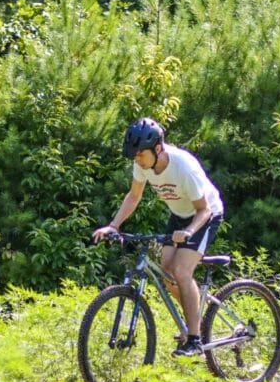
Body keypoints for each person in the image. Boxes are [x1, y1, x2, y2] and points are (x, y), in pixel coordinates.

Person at [92, 117, 224, 357]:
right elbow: (134, 196)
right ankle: (196, 314)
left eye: (140, 155)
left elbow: (204, 210)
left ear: (158, 149)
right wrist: (114, 226)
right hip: (179, 215)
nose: (138, 161)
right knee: (167, 273)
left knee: (182, 271)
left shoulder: (183, 167)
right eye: (135, 156)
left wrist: (189, 232)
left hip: (205, 214)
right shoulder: (142, 164)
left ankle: (194, 338)